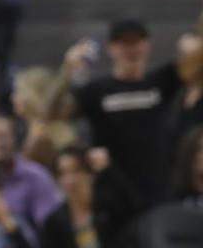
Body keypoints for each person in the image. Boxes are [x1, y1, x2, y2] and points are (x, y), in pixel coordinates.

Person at [57, 20, 203, 209]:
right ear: (111, 47)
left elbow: (193, 66)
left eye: (136, 42)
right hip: (112, 193)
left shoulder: (161, 81)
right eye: (124, 43)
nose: (131, 49)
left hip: (158, 190)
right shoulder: (95, 91)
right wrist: (66, 71)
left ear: (147, 44)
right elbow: (55, 113)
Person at [38, 145, 142, 248]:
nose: (69, 180)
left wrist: (108, 168)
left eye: (75, 170)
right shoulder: (54, 221)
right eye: (62, 173)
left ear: (90, 174)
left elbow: (135, 208)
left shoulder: (108, 207)